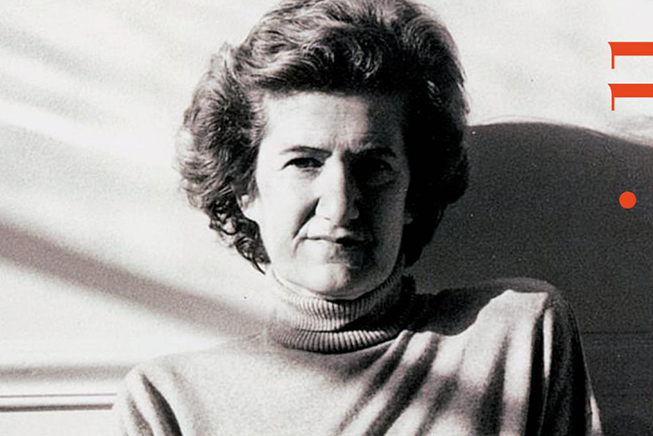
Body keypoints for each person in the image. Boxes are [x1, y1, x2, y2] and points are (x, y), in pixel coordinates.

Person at [112, 0, 603, 434]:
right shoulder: (169, 400)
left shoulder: (513, 333)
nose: (341, 204)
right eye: (304, 163)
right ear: (246, 191)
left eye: (374, 167)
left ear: (414, 193)